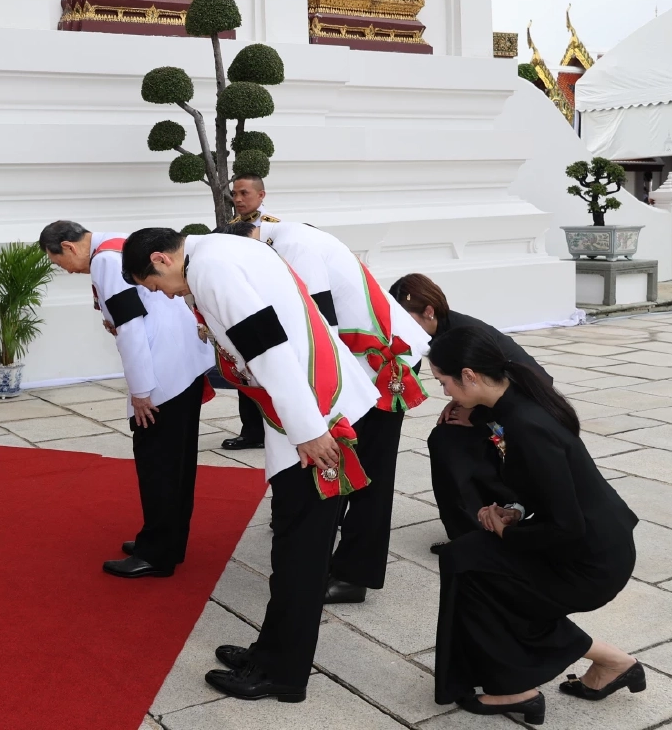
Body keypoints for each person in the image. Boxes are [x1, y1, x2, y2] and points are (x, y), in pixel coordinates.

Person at [122, 227, 377, 703]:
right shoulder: (215, 250)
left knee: (297, 555)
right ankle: (270, 650)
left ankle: (282, 673)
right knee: (291, 548)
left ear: (161, 258)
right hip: (310, 404)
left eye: (156, 284)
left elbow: (267, 346)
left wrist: (308, 429)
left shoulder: (213, 268)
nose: (165, 295)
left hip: (313, 417)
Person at [428, 325, 642, 722]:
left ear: (470, 375)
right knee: (464, 557)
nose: (444, 392)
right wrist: (515, 511)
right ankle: (545, 677)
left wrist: (507, 529)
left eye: (443, 381)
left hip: (592, 562)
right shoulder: (510, 406)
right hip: (578, 542)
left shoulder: (526, 424)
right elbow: (548, 491)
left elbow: (568, 526)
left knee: (481, 577)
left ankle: (539, 681)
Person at [237, 221, 430, 605]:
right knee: (352, 465)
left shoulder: (296, 247)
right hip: (359, 363)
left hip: (379, 366)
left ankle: (355, 574)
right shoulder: (286, 241)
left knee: (370, 475)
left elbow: (318, 328)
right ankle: (331, 555)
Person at [39, 221, 214, 578]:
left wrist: (140, 393)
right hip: (184, 364)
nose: (64, 270)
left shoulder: (105, 261)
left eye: (58, 262)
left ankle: (156, 552)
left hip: (163, 375)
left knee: (159, 466)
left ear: (69, 247)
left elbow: (131, 329)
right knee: (178, 464)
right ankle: (169, 541)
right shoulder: (120, 243)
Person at [389, 273, 549, 549]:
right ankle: (471, 533)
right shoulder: (442, 331)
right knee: (446, 439)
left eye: (406, 320)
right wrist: (461, 404)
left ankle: (488, 528)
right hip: (495, 410)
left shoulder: (460, 335)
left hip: (521, 412)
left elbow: (508, 385)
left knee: (453, 445)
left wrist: (474, 414)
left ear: (429, 312)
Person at [221, 176, 282, 452]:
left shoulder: (275, 229)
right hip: (238, 306)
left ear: (261, 195)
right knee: (244, 369)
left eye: (244, 193)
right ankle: (252, 430)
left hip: (268, 307)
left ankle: (278, 424)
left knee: (271, 369)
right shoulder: (227, 229)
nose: (238, 199)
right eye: (235, 194)